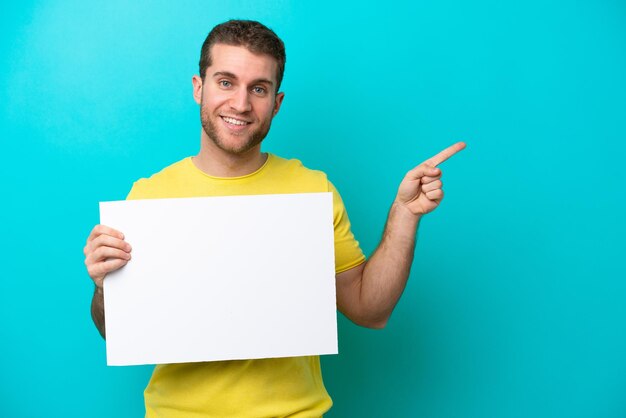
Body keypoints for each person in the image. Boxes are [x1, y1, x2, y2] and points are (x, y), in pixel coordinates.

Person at [83, 19, 465, 417]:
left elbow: (370, 310)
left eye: (258, 89)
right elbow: (117, 332)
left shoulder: (311, 189)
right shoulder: (149, 198)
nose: (241, 104)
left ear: (276, 103)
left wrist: (404, 214)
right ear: (200, 88)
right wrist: (103, 287)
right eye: (226, 82)